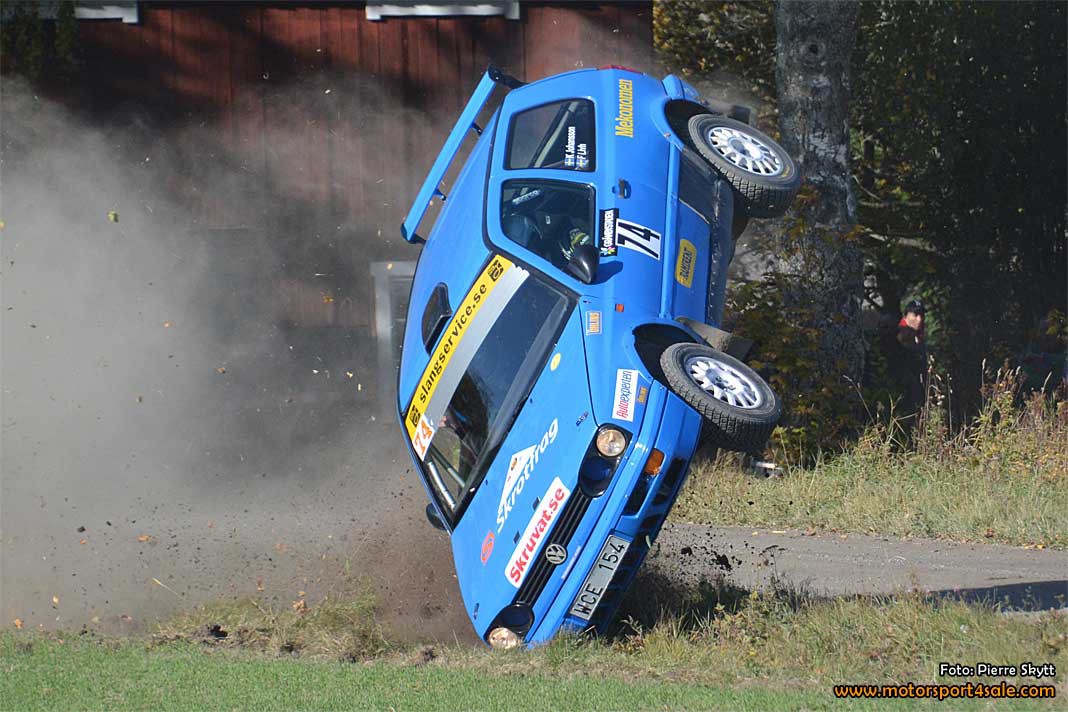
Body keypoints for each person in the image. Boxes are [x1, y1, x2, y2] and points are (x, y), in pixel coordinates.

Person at [895, 298, 928, 420]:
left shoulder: (917, 335)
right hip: (903, 394)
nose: (920, 319)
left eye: (922, 315)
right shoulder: (900, 335)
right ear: (906, 315)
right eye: (915, 315)